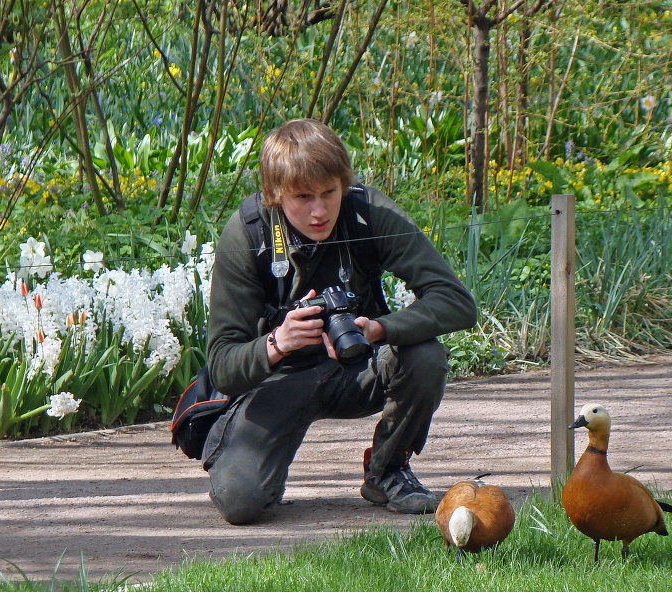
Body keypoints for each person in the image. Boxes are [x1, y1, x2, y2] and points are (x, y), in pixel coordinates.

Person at [203, 118, 477, 524]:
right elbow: (223, 366)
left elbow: (457, 303)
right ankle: (259, 468)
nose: (319, 211)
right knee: (241, 503)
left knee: (425, 357)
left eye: (330, 193)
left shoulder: (366, 213)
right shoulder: (248, 235)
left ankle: (388, 471)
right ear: (275, 194)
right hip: (280, 380)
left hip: (357, 365)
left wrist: (380, 328)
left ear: (343, 183)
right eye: (303, 197)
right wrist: (279, 342)